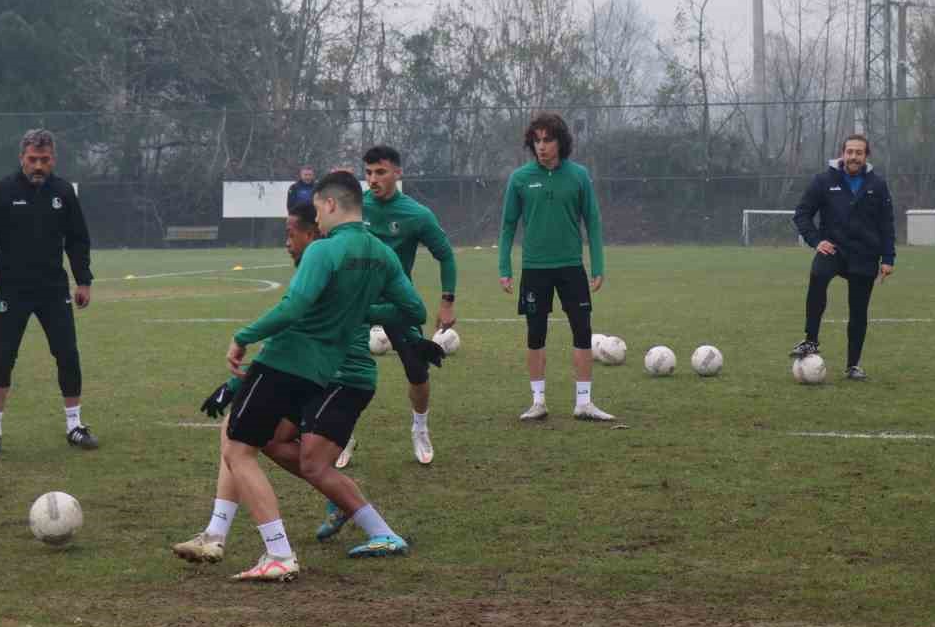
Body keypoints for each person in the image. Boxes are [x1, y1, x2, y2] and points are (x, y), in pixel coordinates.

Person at [174, 202, 441, 567]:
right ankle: (219, 533)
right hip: (319, 375)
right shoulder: (355, 259)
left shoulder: (325, 259)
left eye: (292, 233)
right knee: (256, 439)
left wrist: (242, 349)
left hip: (339, 379)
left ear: (317, 229)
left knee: (266, 451)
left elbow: (294, 324)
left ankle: (282, 545)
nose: (288, 242)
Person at [0, 128, 95, 455]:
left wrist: (83, 280)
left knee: (67, 354)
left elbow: (77, 239)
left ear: (54, 159)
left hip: (53, 289)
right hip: (10, 289)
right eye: (33, 159)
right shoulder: (1, 190)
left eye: (45, 159)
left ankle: (75, 426)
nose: (38, 166)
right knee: (3, 356)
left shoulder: (64, 192)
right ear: (21, 158)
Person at [498, 112, 613, 422]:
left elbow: (593, 221)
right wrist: (504, 266)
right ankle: (538, 402)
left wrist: (598, 264)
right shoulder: (520, 179)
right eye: (536, 140)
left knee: (583, 331)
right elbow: (508, 225)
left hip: (571, 268)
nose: (542, 146)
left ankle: (584, 403)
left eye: (548, 139)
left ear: (561, 142)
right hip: (535, 269)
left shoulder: (578, 176)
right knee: (535, 335)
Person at [351, 144, 458, 467]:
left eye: (380, 172)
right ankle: (342, 434)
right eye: (368, 173)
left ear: (398, 173)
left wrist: (447, 302)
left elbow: (446, 256)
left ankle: (420, 429)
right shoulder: (355, 208)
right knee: (343, 371)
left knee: (416, 369)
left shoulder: (417, 214)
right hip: (357, 303)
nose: (373, 179)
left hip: (399, 304)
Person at [789, 134, 897, 380]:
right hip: (834, 250)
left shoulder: (877, 186)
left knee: (859, 311)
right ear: (842, 154)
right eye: (849, 152)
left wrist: (888, 258)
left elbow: (886, 224)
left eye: (859, 153)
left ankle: (853, 366)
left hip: (865, 255)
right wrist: (817, 241)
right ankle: (811, 340)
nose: (853, 157)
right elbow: (802, 214)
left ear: (866, 156)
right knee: (818, 274)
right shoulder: (824, 181)